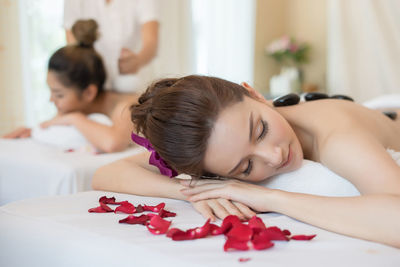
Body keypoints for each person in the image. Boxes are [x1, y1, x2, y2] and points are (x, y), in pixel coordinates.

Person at [92, 75, 400, 248]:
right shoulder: (218, 146)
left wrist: (268, 196)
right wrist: (194, 191)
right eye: (246, 168)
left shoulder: (339, 140)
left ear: (255, 94)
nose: (274, 156)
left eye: (261, 129)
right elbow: (107, 173)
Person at [3, 19, 138, 153]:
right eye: (51, 92)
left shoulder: (125, 107)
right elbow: (50, 125)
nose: (51, 100)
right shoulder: (75, 106)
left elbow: (113, 143)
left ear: (89, 93)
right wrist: (33, 132)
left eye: (59, 94)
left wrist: (74, 119)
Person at [64, 0, 159, 92]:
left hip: (130, 83)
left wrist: (137, 61)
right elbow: (73, 45)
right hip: (90, 81)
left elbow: (151, 43)